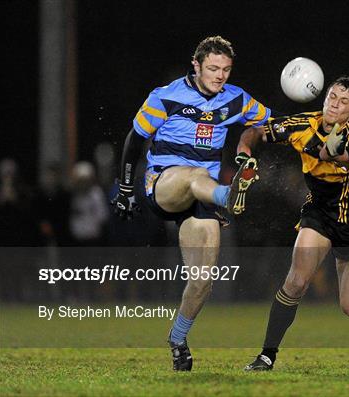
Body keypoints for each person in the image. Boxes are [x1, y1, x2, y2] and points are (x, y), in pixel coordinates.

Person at [112, 36, 270, 371]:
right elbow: (134, 140)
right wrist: (126, 188)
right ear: (196, 65)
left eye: (226, 69)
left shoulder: (236, 98)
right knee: (196, 173)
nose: (220, 75)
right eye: (213, 68)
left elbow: (268, 123)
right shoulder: (165, 96)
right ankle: (227, 196)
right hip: (166, 185)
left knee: (202, 280)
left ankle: (178, 340)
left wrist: (318, 127)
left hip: (202, 195)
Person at [236, 76, 349, 371]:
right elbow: (255, 132)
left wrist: (325, 147)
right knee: (296, 280)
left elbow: (332, 153)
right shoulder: (303, 124)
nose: (335, 105)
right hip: (320, 214)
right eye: (332, 97)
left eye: (343, 102)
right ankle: (266, 355)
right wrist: (244, 154)